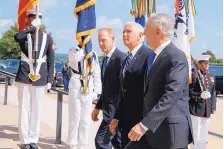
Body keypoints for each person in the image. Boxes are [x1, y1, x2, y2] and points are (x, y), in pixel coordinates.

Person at [123, 14, 193, 149]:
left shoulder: (176, 57)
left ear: (158, 31)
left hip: (169, 133)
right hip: (151, 130)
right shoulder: (153, 56)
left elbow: (171, 95)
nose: (144, 32)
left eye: (147, 28)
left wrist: (144, 125)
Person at [14, 7, 55, 149]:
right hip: (25, 74)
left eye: (37, 17)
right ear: (29, 18)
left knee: (37, 109)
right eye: (31, 16)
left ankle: (33, 138)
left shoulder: (47, 38)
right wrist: (31, 27)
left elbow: (51, 60)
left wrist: (50, 79)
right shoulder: (25, 34)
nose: (34, 18)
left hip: (40, 76)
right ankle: (25, 139)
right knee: (24, 108)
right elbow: (17, 37)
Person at [109, 22, 152, 148]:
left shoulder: (149, 56)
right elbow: (124, 91)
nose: (124, 34)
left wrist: (144, 123)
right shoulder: (126, 58)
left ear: (140, 36)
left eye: (128, 31)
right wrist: (117, 117)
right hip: (126, 122)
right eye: (123, 32)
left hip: (141, 123)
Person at [92, 28, 125, 149]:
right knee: (118, 143)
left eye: (104, 40)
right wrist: (97, 107)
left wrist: (118, 115)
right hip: (107, 110)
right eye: (99, 41)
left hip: (115, 112)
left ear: (113, 39)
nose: (101, 44)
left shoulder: (122, 59)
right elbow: (106, 88)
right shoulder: (105, 60)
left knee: (101, 141)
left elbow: (123, 89)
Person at [66, 46, 102, 149]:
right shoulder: (73, 50)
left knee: (85, 120)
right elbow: (75, 59)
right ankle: (72, 144)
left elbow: (97, 72)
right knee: (75, 118)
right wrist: (84, 51)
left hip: (88, 85)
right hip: (76, 84)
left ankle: (83, 145)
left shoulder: (93, 53)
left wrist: (97, 91)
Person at [189, 55, 216, 149]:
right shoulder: (193, 74)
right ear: (199, 64)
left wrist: (213, 109)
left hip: (207, 111)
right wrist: (199, 95)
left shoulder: (211, 76)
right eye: (205, 63)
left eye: (208, 63)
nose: (207, 65)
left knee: (204, 136)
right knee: (196, 135)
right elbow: (189, 92)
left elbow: (213, 93)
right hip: (196, 110)